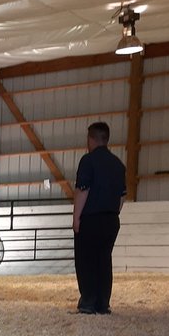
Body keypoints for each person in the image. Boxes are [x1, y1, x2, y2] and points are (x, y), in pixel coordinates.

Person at [73, 121, 127, 314]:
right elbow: (122, 196)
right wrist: (113, 213)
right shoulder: (118, 165)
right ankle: (103, 303)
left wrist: (76, 217)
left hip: (91, 219)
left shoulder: (88, 161)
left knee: (86, 259)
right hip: (111, 219)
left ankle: (88, 300)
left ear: (91, 139)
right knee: (104, 260)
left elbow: (83, 190)